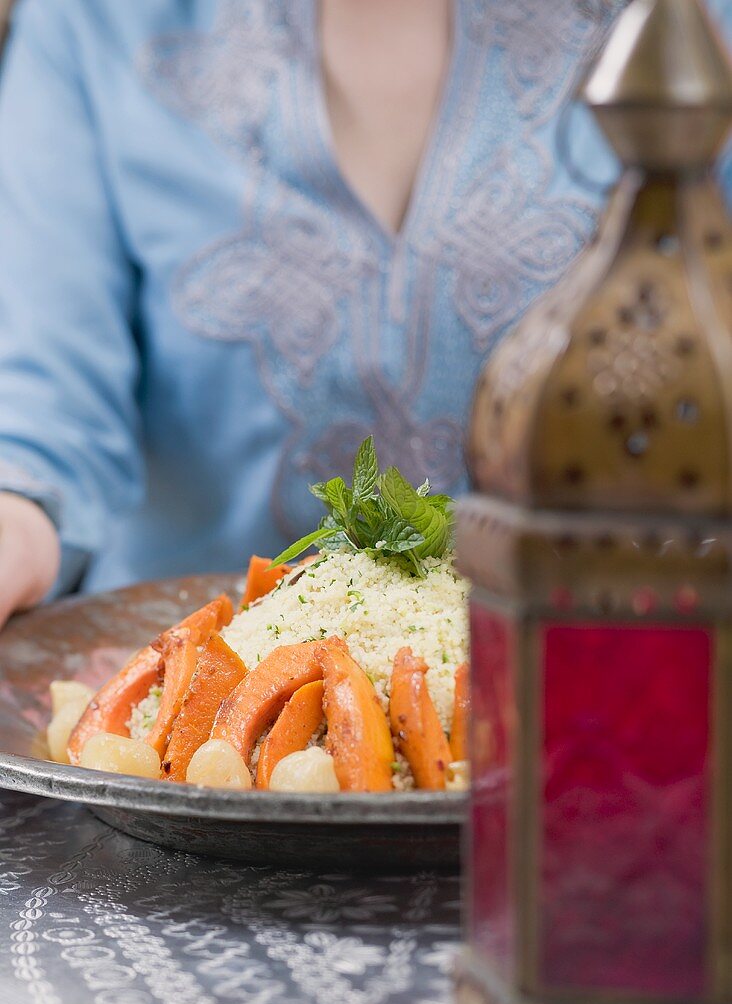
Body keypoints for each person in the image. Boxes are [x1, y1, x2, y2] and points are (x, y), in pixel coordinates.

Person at [0, 0, 729, 630]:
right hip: (186, 729)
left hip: (594, 705)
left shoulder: (687, 31)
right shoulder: (91, 23)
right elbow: (44, 430)